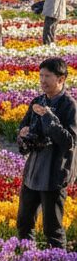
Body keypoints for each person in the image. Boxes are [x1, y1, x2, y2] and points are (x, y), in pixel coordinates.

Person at [16, 57, 77, 249]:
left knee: (52, 228)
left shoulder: (70, 106)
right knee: (24, 223)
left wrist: (49, 119)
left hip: (54, 173)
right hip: (33, 172)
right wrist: (23, 134)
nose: (42, 80)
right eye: (41, 75)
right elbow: (23, 128)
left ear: (61, 79)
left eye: (47, 76)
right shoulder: (38, 101)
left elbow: (70, 142)